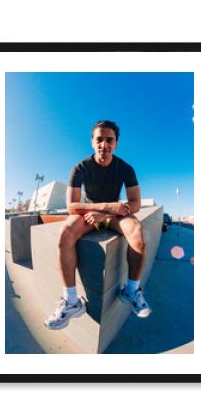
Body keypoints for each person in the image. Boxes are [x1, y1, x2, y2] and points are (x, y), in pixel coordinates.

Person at [44, 120, 151, 330]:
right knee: (65, 232)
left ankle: (131, 290)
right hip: (89, 213)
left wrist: (108, 213)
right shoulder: (81, 167)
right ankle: (72, 301)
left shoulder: (125, 168)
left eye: (109, 140)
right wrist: (106, 208)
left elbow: (136, 202)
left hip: (113, 216)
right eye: (99, 139)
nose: (104, 144)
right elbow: (72, 206)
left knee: (137, 233)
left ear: (116, 143)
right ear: (92, 143)